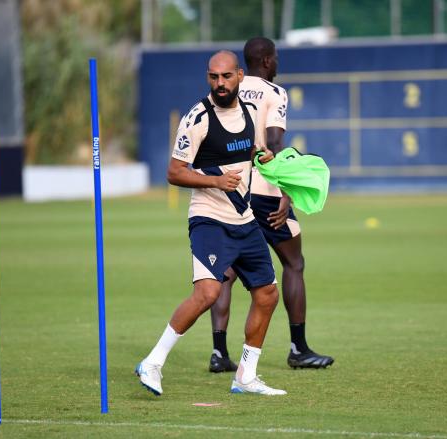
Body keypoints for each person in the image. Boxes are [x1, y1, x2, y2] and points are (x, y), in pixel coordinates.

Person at [135, 50, 286, 396]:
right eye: (213, 77)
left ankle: (246, 376)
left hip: (244, 218)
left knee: (267, 294)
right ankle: (153, 362)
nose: (220, 83)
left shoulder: (249, 113)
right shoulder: (198, 118)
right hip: (209, 219)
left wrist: (261, 157)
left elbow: (251, 152)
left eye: (226, 77)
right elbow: (174, 173)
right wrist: (216, 182)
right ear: (208, 78)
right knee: (208, 292)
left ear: (240, 77)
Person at [208, 37, 334, 373]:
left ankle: (219, 352)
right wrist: (286, 191)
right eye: (275, 58)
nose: (277, 63)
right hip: (265, 191)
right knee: (294, 263)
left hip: (231, 188)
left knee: (227, 272)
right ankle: (298, 349)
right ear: (265, 60)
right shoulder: (274, 92)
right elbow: (275, 142)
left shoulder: (226, 87)